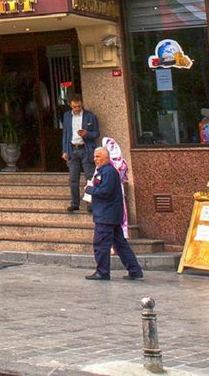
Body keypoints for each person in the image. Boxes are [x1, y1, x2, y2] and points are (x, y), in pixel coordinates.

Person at [84, 142, 143, 281]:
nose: (95, 159)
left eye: (98, 156)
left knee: (101, 244)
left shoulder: (109, 171)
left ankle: (103, 272)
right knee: (120, 244)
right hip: (109, 214)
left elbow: (105, 191)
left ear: (106, 158)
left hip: (106, 215)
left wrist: (89, 189)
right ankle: (134, 270)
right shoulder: (103, 171)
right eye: (94, 156)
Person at [61, 91, 100, 212]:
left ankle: (90, 203)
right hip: (73, 149)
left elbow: (96, 133)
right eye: (74, 107)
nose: (77, 109)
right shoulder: (67, 116)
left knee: (89, 177)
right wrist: (64, 150)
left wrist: (86, 134)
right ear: (70, 105)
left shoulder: (90, 116)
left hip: (86, 149)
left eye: (79, 106)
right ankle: (75, 203)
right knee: (73, 178)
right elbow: (66, 134)